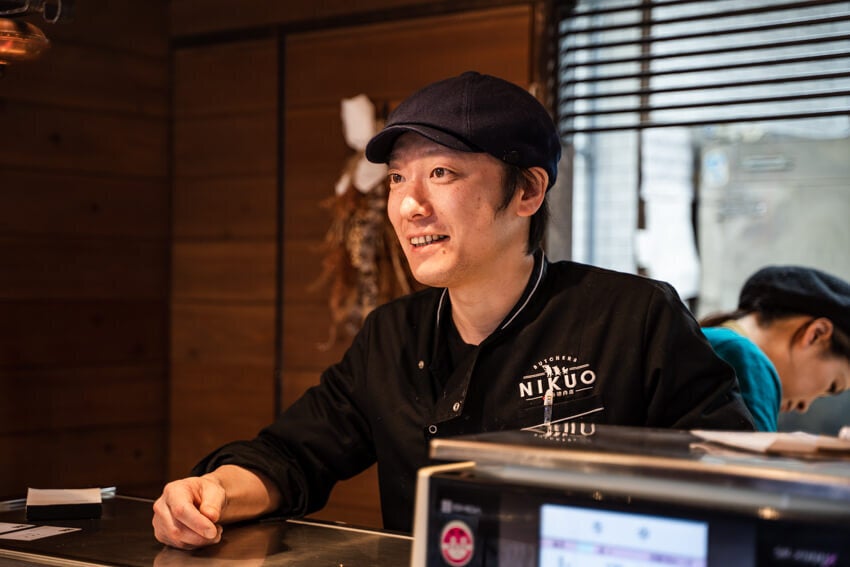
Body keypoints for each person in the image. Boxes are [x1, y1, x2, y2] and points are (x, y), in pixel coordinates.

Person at [152, 71, 754, 549]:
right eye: (397, 179)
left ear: (527, 190)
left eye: (441, 172)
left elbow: (734, 485)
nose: (408, 205)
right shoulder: (393, 334)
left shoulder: (634, 318)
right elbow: (292, 456)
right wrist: (211, 492)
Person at [701, 265, 850, 432]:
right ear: (816, 334)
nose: (804, 407)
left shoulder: (706, 340)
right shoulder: (748, 361)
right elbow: (755, 451)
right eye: (832, 386)